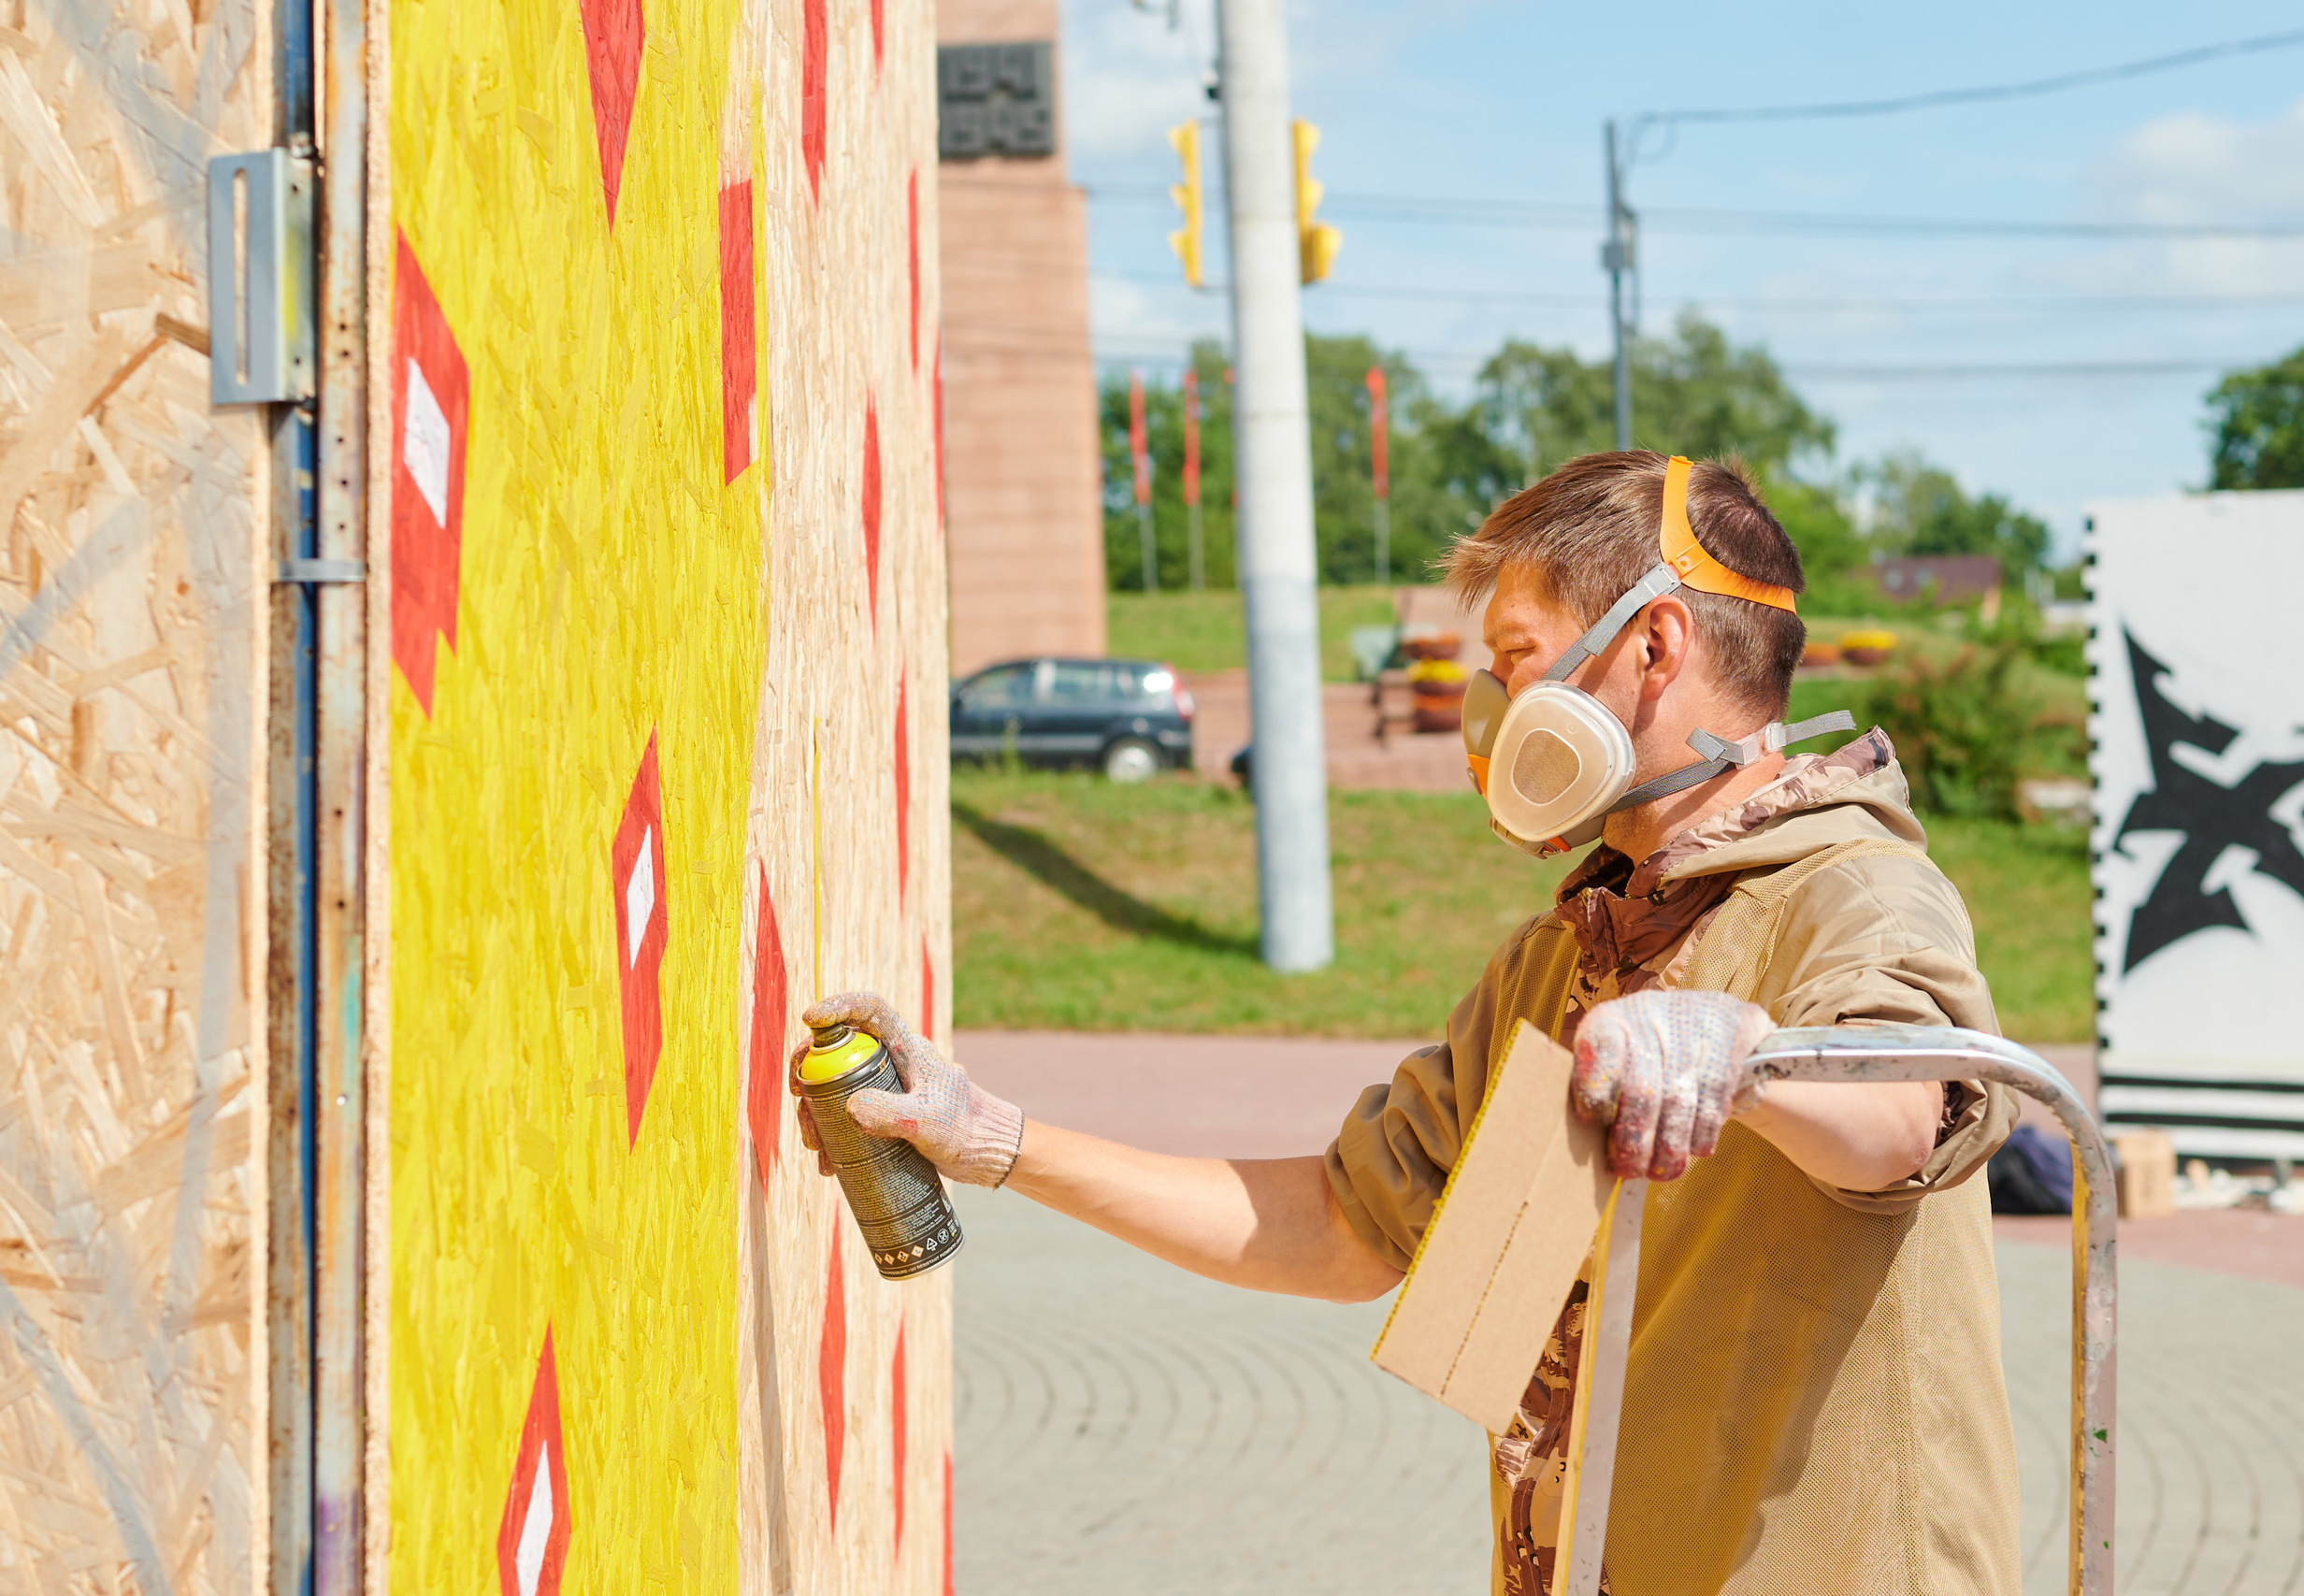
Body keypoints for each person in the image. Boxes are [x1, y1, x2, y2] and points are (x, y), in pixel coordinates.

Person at [795, 451, 2021, 1596]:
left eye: (1522, 657)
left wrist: (1742, 1055)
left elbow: (1906, 1120)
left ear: (1654, 641)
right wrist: (998, 1139)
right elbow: (1340, 1231)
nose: (1497, 712)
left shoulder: (1853, 889)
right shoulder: (1569, 960)